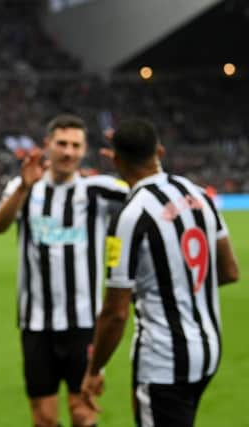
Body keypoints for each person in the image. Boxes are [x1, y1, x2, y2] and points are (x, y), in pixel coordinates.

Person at [80, 117, 239, 427]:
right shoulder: (199, 195)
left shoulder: (130, 216)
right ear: (160, 152)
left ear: (115, 160)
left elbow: (115, 312)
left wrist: (93, 370)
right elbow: (230, 271)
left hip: (164, 360)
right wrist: (181, 285)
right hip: (208, 349)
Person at [0, 114, 128, 427]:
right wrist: (23, 189)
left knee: (83, 413)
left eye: (76, 145)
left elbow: (142, 194)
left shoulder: (99, 190)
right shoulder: (23, 187)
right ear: (48, 146)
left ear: (84, 151)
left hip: (84, 323)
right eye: (62, 144)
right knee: (43, 418)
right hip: (36, 323)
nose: (68, 152)